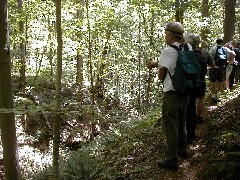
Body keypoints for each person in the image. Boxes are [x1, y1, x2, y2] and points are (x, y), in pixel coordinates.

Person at [151, 22, 190, 171]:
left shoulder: (168, 51)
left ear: (170, 35)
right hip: (185, 91)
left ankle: (171, 159)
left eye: (166, 34)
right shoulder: (187, 47)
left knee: (170, 125)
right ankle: (182, 149)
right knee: (182, 120)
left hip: (172, 92)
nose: (165, 37)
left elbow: (161, 75)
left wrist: (159, 70)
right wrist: (157, 63)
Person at [183, 33, 215, 143]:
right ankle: (199, 116)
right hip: (200, 81)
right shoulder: (204, 52)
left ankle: (186, 134)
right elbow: (212, 65)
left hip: (187, 84)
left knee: (188, 107)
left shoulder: (185, 52)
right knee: (201, 98)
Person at [209, 38, 235, 103]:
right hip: (222, 68)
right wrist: (230, 62)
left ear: (216, 42)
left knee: (213, 82)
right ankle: (219, 96)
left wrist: (211, 64)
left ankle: (213, 97)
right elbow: (233, 54)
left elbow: (208, 56)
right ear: (222, 42)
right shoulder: (225, 48)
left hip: (214, 68)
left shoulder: (213, 48)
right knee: (221, 82)